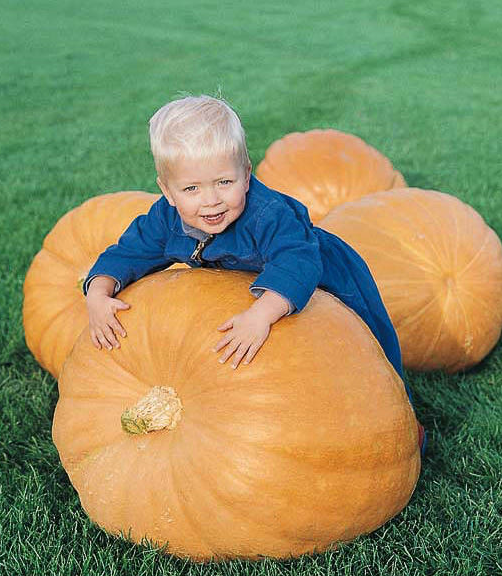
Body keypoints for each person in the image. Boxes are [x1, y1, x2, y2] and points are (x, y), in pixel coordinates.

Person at [84, 95, 426, 452]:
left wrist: (261, 315)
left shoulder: (268, 215)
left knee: (370, 349)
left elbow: (297, 261)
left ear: (246, 174)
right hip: (268, 282)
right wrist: (98, 293)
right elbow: (128, 252)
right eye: (191, 189)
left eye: (224, 182)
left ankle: (401, 420)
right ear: (167, 191)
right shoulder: (165, 219)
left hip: (329, 274)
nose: (211, 200)